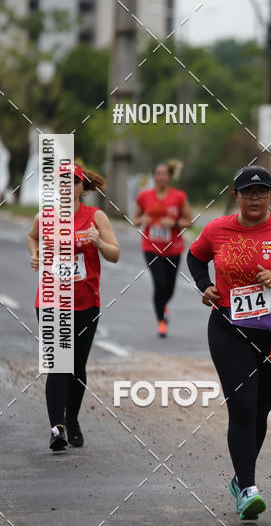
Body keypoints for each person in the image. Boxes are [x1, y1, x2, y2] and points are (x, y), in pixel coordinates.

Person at [187, 166, 271, 521]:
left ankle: (239, 476)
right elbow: (195, 256)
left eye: (261, 192)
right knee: (243, 409)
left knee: (260, 411)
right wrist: (205, 285)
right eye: (248, 192)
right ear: (236, 195)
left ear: (270, 196)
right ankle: (248, 488)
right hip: (230, 328)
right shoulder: (218, 229)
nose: (255, 199)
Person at [27, 163, 120, 451]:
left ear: (82, 186)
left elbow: (115, 254)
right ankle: (57, 428)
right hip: (52, 300)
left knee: (76, 366)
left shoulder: (96, 216)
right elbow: (33, 237)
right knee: (58, 364)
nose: (68, 187)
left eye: (74, 182)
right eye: (63, 182)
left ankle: (72, 418)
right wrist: (35, 254)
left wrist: (98, 242)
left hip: (86, 302)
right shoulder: (45, 217)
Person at [133, 159, 193, 337]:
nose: (161, 177)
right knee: (159, 283)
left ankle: (162, 305)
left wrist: (174, 222)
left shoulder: (179, 196)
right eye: (158, 174)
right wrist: (143, 220)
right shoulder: (145, 196)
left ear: (169, 176)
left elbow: (189, 221)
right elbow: (135, 219)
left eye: (164, 174)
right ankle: (161, 320)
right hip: (151, 246)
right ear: (153, 176)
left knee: (170, 287)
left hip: (173, 247)